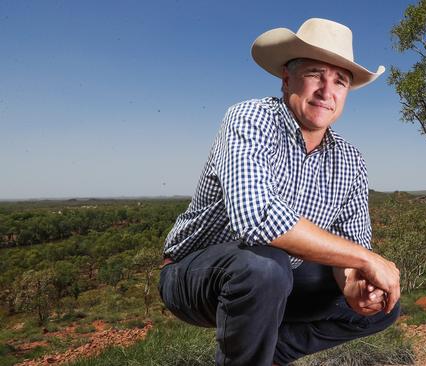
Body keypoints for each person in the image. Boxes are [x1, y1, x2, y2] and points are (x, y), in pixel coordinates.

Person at [159, 18, 401, 366]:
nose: (326, 90)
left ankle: (263, 356)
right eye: (316, 74)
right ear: (286, 76)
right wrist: (367, 259)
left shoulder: (350, 160)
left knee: (381, 306)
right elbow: (256, 219)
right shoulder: (251, 119)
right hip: (195, 276)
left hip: (279, 280)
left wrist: (353, 284)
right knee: (264, 266)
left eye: (339, 81)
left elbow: (351, 247)